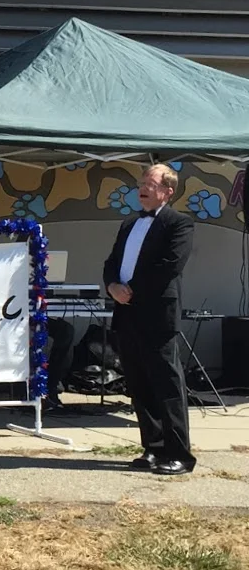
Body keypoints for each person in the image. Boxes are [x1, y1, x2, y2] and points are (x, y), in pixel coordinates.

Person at [103, 163, 195, 476]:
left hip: (156, 314)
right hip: (127, 312)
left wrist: (132, 290)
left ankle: (179, 453)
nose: (143, 187)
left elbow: (170, 265)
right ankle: (153, 448)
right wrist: (112, 286)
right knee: (139, 383)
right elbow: (112, 261)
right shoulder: (129, 223)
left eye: (151, 183)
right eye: (142, 182)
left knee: (166, 384)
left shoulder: (179, 222)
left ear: (168, 191)